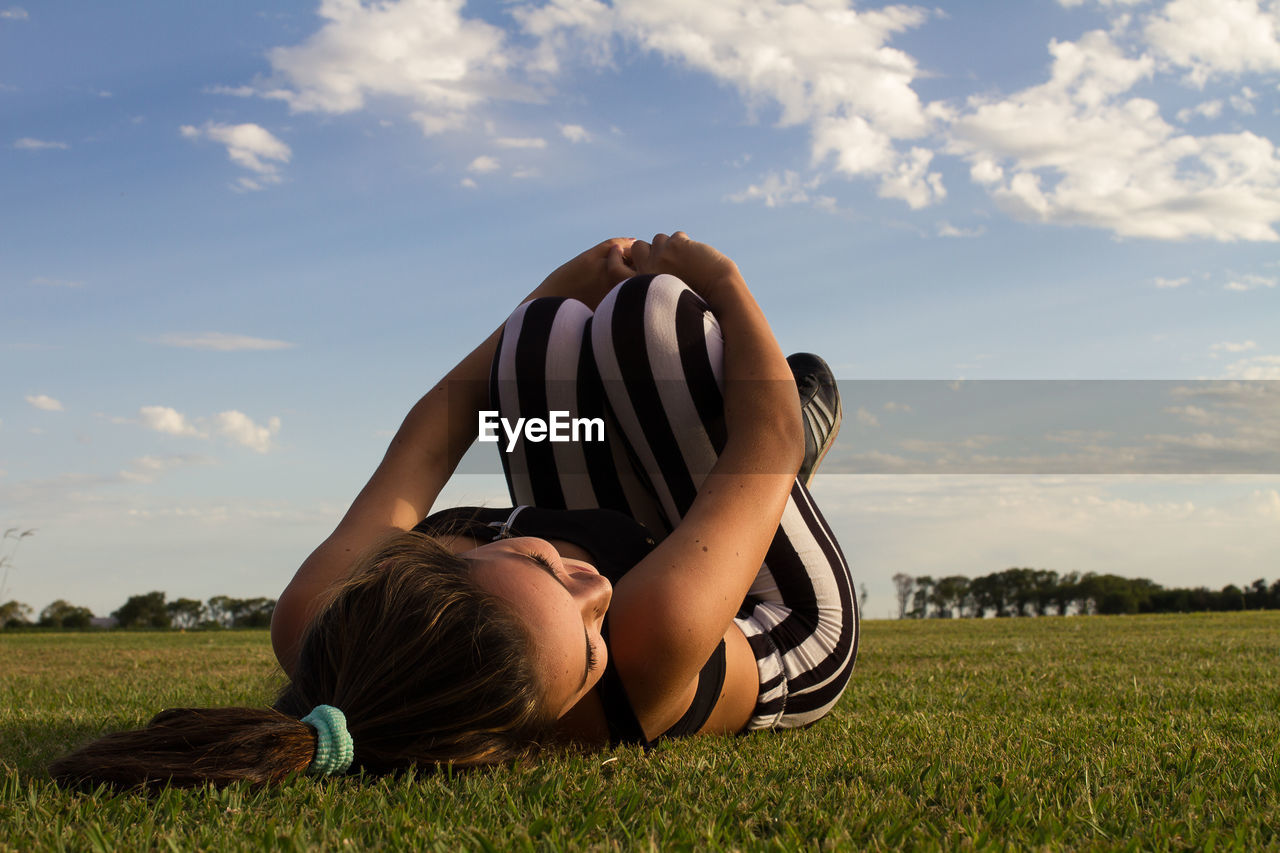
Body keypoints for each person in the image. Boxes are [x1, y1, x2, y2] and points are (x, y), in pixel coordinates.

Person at [49, 232, 857, 789]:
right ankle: (748, 505)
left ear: (436, 560)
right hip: (778, 623)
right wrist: (722, 278)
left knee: (542, 334)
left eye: (545, 569)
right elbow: (770, 433)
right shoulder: (647, 641)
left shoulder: (318, 620)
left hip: (615, 559)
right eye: (584, 644)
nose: (597, 589)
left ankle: (667, 480)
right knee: (658, 313)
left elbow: (436, 434)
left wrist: (544, 293)